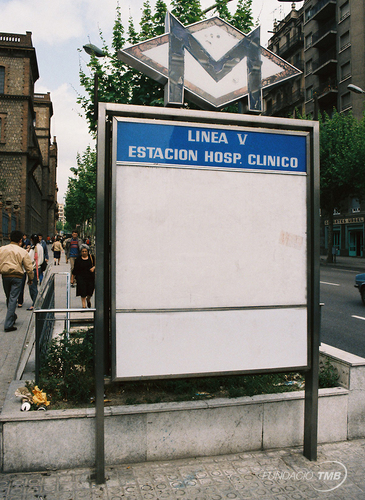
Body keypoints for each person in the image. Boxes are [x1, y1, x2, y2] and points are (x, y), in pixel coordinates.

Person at [0, 230, 34, 332]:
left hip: (5, 276)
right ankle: (8, 324)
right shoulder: (22, 251)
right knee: (13, 299)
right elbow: (29, 267)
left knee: (9, 298)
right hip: (18, 277)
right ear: (20, 240)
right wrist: (31, 278)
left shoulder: (2, 249)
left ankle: (12, 317)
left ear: (10, 238)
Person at [27, 234, 44, 311]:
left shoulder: (34, 248)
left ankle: (35, 303)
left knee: (32, 286)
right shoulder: (40, 246)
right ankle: (36, 302)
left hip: (34, 268)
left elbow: (29, 258)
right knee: (34, 286)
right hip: (39, 267)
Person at [17, 234, 31, 308]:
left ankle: (20, 301)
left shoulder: (24, 252)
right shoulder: (22, 252)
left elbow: (27, 264)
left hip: (22, 271)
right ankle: (18, 300)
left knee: (21, 287)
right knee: (18, 287)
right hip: (18, 271)